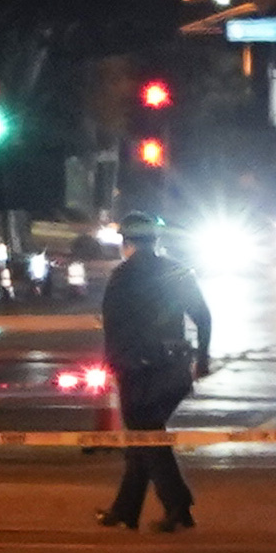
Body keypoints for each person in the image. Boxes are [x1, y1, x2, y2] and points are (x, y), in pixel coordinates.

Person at [97, 212, 214, 531]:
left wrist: (111, 361)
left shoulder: (123, 276)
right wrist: (202, 358)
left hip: (138, 371)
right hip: (175, 369)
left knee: (146, 437)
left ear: (127, 242)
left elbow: (112, 324)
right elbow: (202, 316)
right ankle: (125, 509)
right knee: (146, 437)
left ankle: (178, 505)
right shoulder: (177, 272)